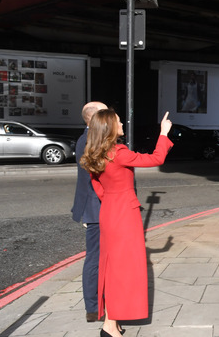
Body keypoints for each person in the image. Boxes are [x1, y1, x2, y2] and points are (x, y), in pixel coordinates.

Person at [80, 109, 173, 337]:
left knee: (112, 267)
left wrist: (113, 201)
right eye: (118, 121)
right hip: (124, 214)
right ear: (110, 127)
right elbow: (156, 159)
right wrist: (163, 133)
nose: (122, 123)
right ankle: (109, 326)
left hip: (109, 212)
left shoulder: (96, 154)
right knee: (122, 270)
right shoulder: (118, 153)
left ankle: (113, 322)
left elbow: (98, 187)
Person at [71, 101, 107, 323]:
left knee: (99, 257)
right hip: (96, 209)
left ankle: (97, 304)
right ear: (95, 118)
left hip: (95, 207)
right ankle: (93, 308)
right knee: (94, 258)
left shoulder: (90, 139)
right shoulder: (89, 141)